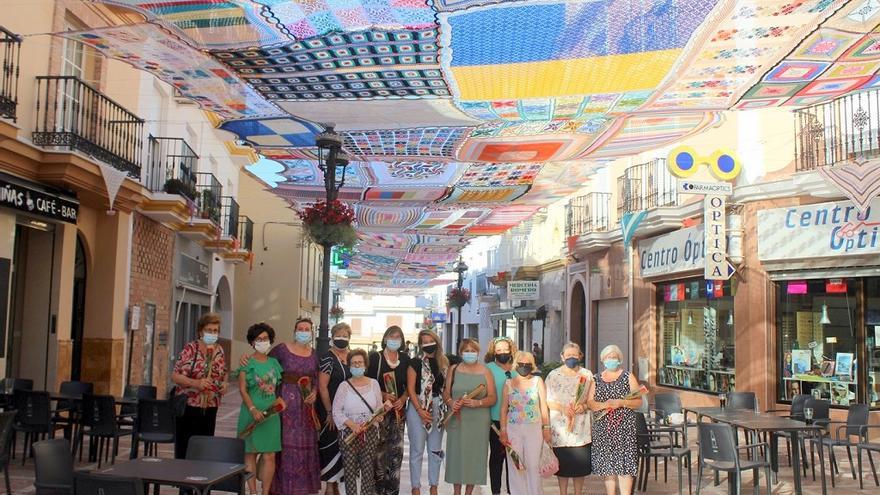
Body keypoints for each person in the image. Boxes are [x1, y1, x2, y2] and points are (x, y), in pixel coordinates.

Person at [269, 317, 320, 495]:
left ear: (311, 333)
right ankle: (281, 487)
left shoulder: (314, 354)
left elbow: (316, 378)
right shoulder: (282, 349)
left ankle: (302, 488)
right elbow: (266, 365)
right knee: (284, 444)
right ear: (295, 330)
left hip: (305, 407)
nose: (304, 331)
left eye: (307, 329)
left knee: (304, 443)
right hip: (285, 404)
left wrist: (315, 392)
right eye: (301, 328)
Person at [332, 349, 393, 495]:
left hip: (369, 432)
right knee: (350, 471)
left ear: (365, 365)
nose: (357, 365)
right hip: (349, 433)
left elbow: (378, 408)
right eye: (354, 363)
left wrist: (381, 413)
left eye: (360, 362)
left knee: (367, 471)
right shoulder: (344, 386)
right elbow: (336, 411)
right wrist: (353, 426)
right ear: (349, 366)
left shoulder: (374, 384)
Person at [171, 312, 228, 459]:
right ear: (201, 331)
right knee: (186, 448)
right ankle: (182, 480)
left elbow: (224, 372)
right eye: (209, 330)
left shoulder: (219, 350)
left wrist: (224, 384)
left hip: (210, 406)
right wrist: (196, 383)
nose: (212, 333)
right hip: (190, 406)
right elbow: (175, 375)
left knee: (205, 449)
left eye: (215, 331)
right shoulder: (191, 349)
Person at [443, 339, 496, 495]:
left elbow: (492, 397)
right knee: (456, 455)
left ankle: (469, 492)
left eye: (473, 350)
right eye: (466, 350)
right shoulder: (453, 369)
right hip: (457, 420)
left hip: (478, 421)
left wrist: (477, 402)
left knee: (475, 456)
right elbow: (446, 392)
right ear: (461, 353)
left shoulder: (486, 371)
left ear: (478, 353)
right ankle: (456, 492)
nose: (470, 353)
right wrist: (451, 402)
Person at [236, 323, 284, 495]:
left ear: (270, 340)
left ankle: (265, 492)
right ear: (252, 342)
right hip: (250, 413)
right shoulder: (246, 363)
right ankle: (253, 493)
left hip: (271, 416)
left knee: (269, 455)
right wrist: (253, 409)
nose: (262, 342)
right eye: (258, 339)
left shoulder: (274, 363)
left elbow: (278, 386)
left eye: (265, 339)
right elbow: (242, 389)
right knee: (250, 454)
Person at [589, 345, 641, 495]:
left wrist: (621, 402)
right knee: (608, 467)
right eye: (608, 357)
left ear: (619, 359)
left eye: (614, 357)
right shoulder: (596, 379)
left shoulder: (628, 376)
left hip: (624, 428)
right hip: (603, 429)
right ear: (603, 360)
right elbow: (590, 403)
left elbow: (638, 401)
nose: (611, 359)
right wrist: (605, 405)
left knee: (624, 466)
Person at [499, 351, 550, 495]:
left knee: (533, 465)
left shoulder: (537, 381)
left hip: (534, 429)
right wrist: (503, 431)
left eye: (528, 364)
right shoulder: (508, 383)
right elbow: (503, 409)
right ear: (515, 365)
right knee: (516, 465)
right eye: (521, 364)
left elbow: (543, 406)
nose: (524, 366)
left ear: (532, 365)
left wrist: (546, 427)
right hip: (513, 429)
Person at [367, 325, 410, 495]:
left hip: (398, 413)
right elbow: (367, 383)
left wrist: (403, 398)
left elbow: (411, 385)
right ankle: (377, 491)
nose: (394, 340)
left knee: (396, 454)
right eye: (391, 336)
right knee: (378, 454)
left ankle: (392, 491)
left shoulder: (405, 359)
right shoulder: (375, 358)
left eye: (398, 337)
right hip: (380, 413)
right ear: (385, 338)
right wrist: (383, 394)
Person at [546, 343, 593, 495]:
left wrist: (584, 406)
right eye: (568, 356)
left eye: (575, 355)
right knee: (564, 466)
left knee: (579, 466)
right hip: (560, 428)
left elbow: (592, 399)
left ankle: (578, 493)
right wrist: (562, 409)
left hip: (581, 427)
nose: (572, 358)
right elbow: (546, 400)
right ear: (562, 357)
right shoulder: (553, 375)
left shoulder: (587, 375)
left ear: (580, 356)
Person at [406, 330, 449, 495]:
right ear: (420, 344)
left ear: (437, 342)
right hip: (418, 406)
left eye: (431, 340)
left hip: (438, 407)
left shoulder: (444, 362)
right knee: (417, 449)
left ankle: (434, 487)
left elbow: (446, 387)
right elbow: (410, 389)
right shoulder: (415, 362)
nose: (428, 344)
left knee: (435, 450)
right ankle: (415, 487)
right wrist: (419, 410)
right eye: (424, 341)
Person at [317, 323, 352, 495]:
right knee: (331, 447)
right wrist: (330, 412)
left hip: (348, 413)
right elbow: (322, 387)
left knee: (344, 448)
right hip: (330, 412)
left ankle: (337, 485)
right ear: (332, 336)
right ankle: (330, 486)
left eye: (345, 335)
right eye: (338, 334)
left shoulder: (352, 357)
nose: (342, 338)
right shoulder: (328, 358)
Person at [485, 336, 516, 495]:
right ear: (493, 352)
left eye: (505, 349)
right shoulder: (487, 368)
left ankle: (513, 490)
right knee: (497, 458)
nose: (503, 352)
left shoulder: (518, 369)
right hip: (495, 421)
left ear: (511, 350)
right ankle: (496, 491)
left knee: (514, 459)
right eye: (499, 350)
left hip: (517, 421)